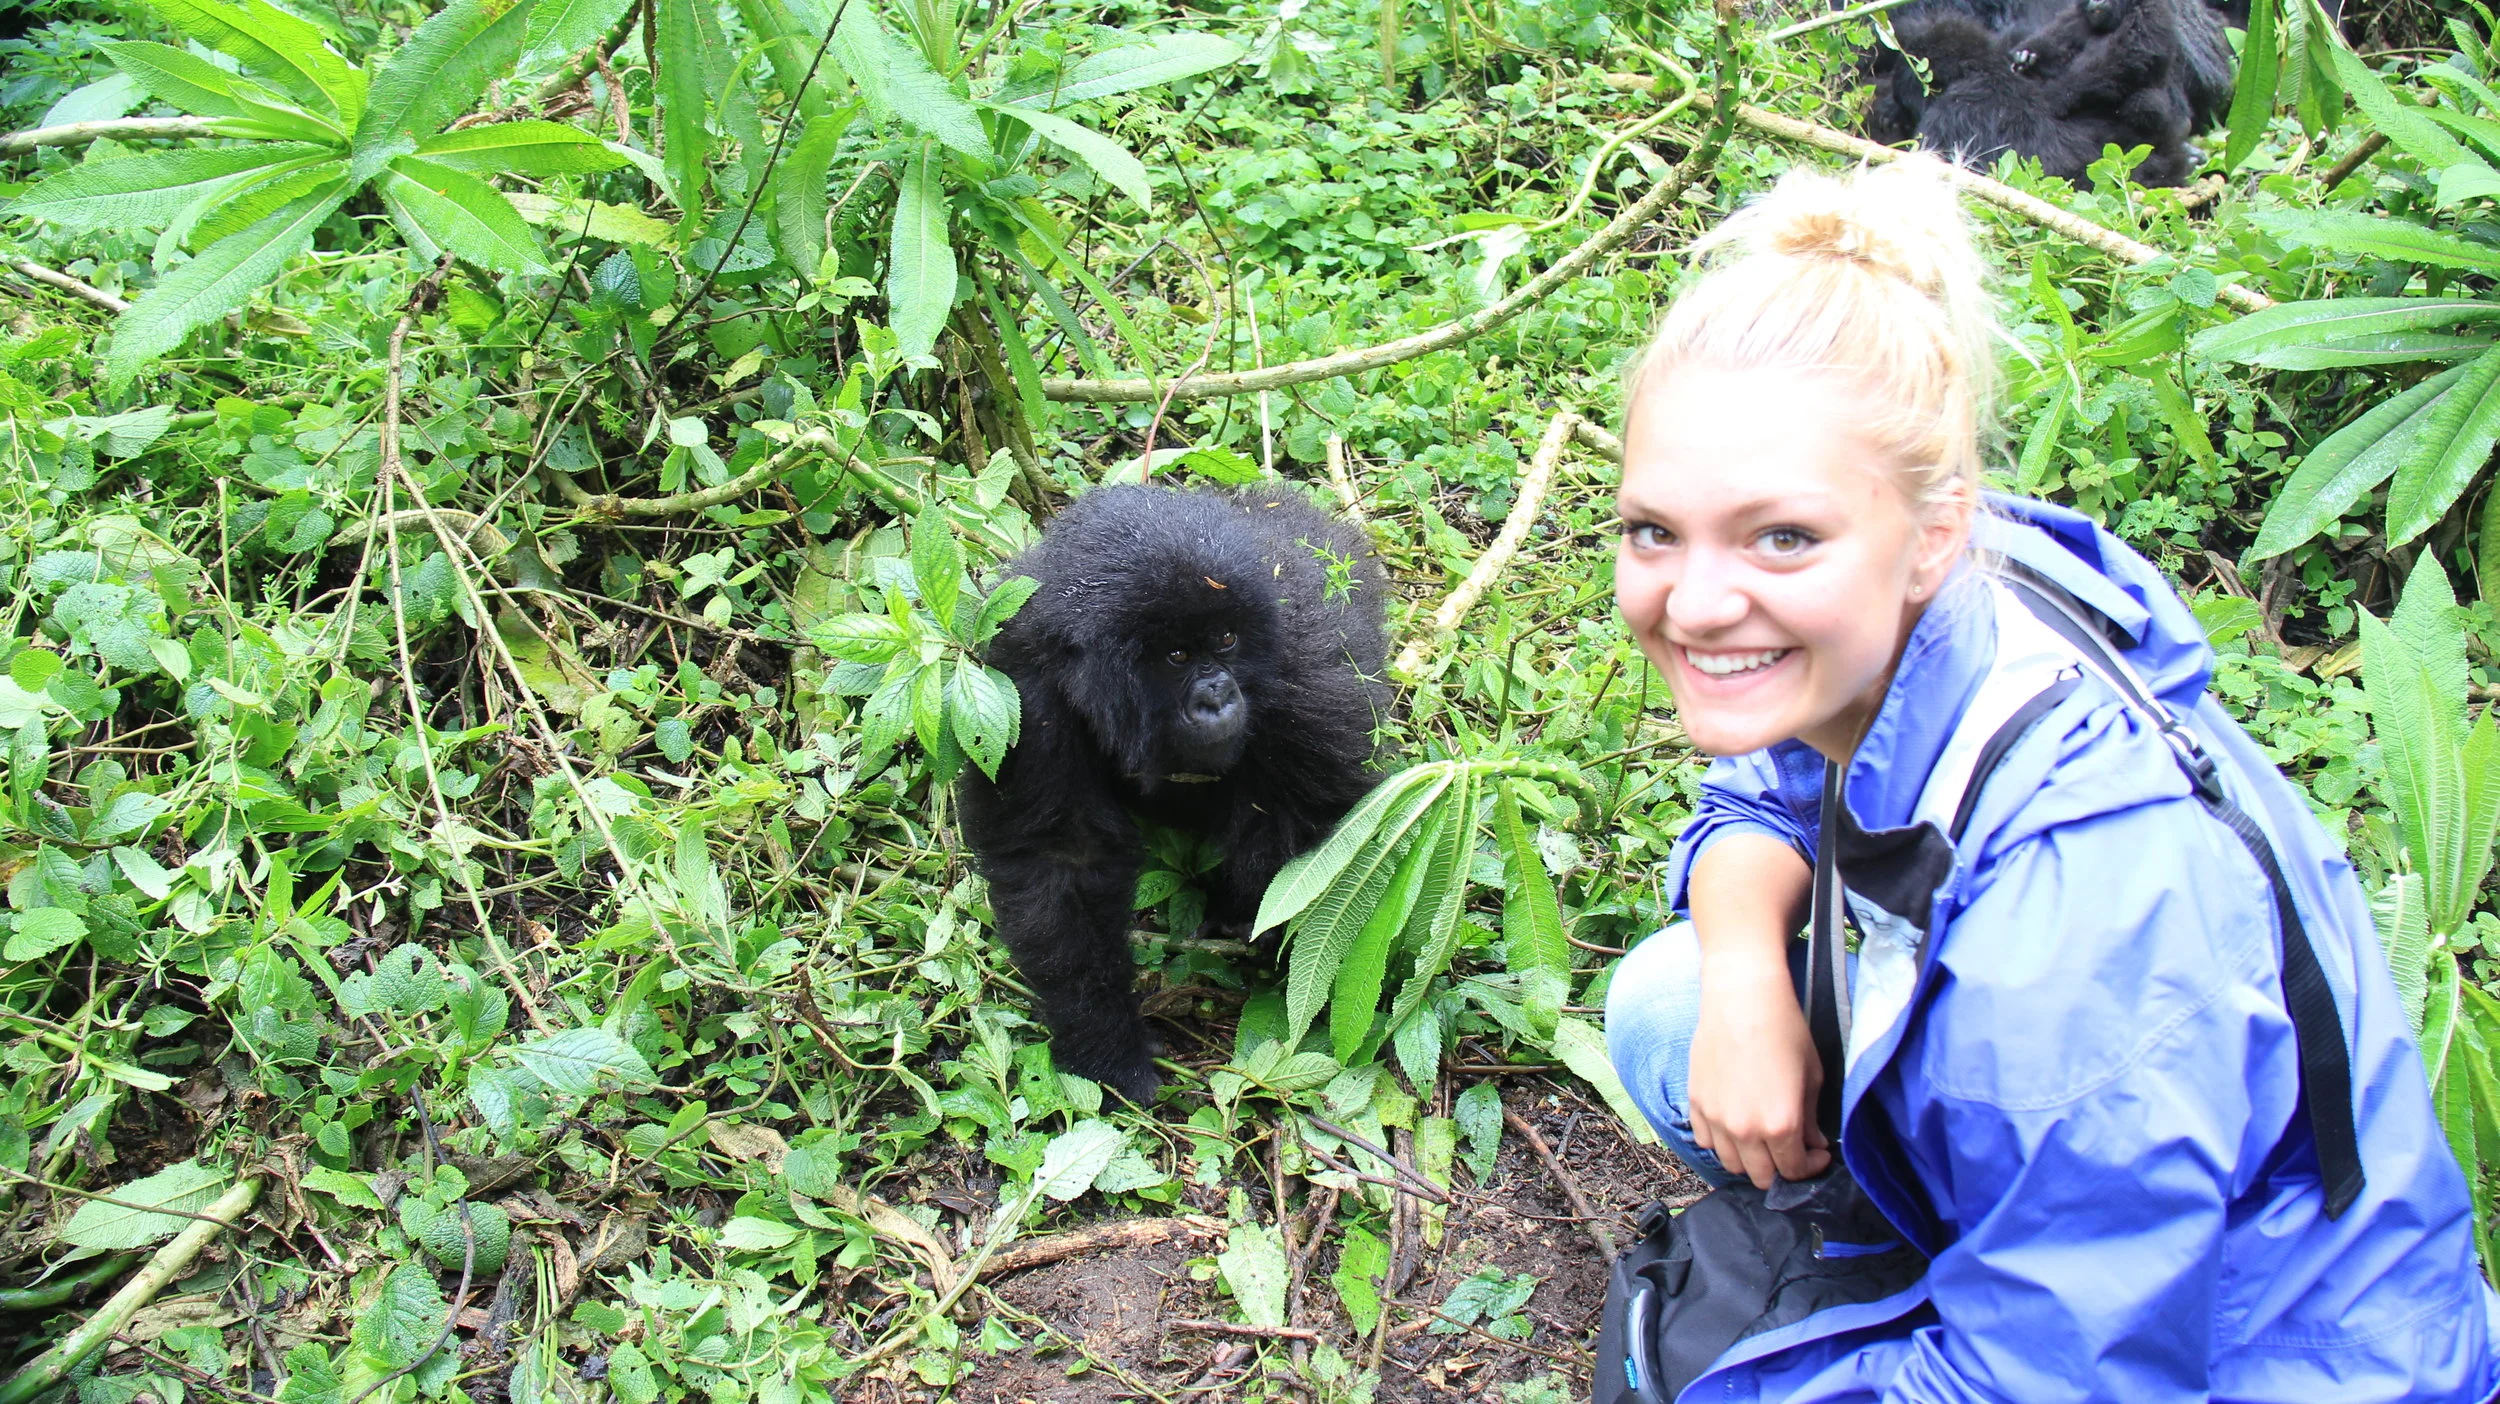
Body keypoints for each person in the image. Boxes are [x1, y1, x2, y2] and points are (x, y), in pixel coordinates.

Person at [1602, 159, 2497, 1400]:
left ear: (1932, 532)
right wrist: (1751, 982)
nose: (1694, 603)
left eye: (1780, 537)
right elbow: (1759, 791)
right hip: (2105, 1198)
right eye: (1655, 530)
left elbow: (2054, 1379)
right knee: (1674, 1003)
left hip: (2272, 1357)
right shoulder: (1949, 600)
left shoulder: (2073, 931)